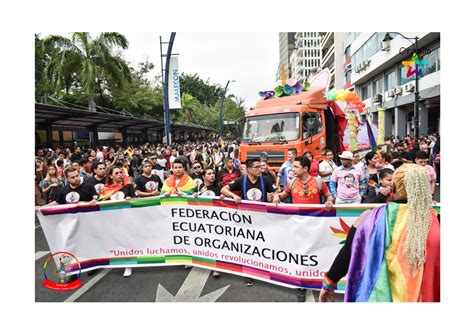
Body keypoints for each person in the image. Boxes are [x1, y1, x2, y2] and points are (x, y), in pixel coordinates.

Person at [319, 164, 440, 302]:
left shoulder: (368, 218)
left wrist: (329, 282)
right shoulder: (438, 222)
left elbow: (348, 253)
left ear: (393, 188)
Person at [273, 156, 334, 302]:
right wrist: (276, 196)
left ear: (305, 168)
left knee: (317, 253)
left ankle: (321, 281)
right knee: (301, 255)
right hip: (298, 227)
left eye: (295, 167)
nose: (292, 169)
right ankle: (302, 285)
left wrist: (330, 201)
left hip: (316, 227)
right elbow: (283, 195)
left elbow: (329, 195)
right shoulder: (291, 181)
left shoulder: (318, 181)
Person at [221, 158, 276, 287]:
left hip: (263, 219)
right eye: (256, 167)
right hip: (246, 220)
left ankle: (264, 268)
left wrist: (276, 196)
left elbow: (275, 192)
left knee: (263, 245)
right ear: (249, 169)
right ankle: (249, 273)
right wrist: (234, 196)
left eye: (260, 167)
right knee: (249, 247)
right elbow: (224, 189)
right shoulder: (241, 180)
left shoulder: (266, 180)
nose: (260, 169)